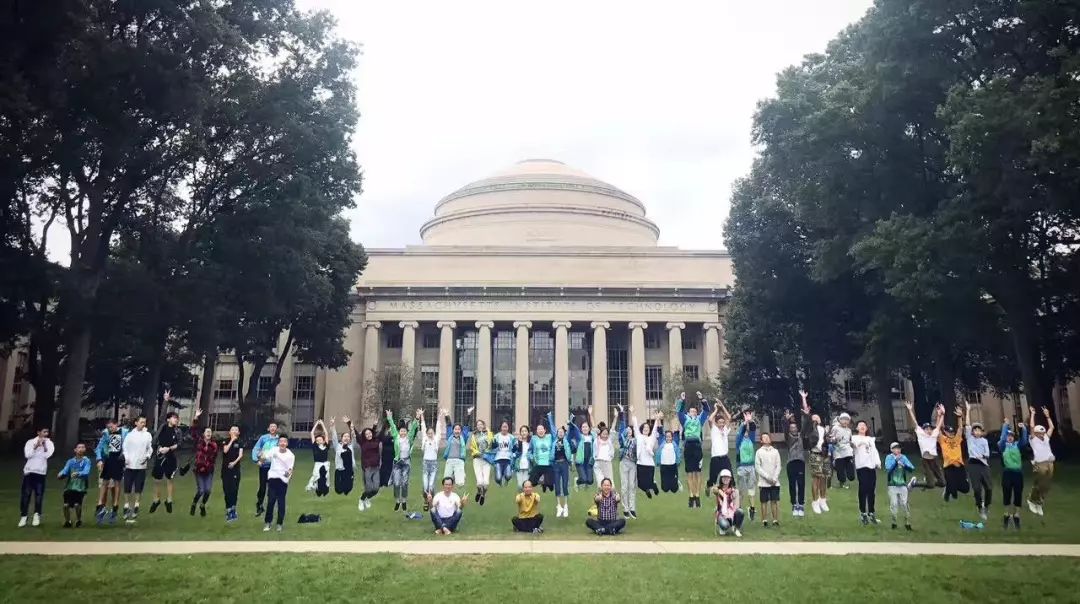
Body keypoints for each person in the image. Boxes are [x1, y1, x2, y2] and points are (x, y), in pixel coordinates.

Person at [675, 391, 710, 508]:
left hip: (697, 446)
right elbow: (679, 412)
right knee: (690, 473)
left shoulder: (700, 419)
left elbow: (706, 411)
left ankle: (697, 495)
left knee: (698, 473)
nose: (693, 412)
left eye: (695, 411)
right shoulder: (685, 419)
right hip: (688, 445)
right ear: (688, 413)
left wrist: (702, 399)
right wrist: (682, 400)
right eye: (691, 411)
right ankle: (691, 496)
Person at [149, 405, 183, 514]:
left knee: (169, 479)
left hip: (170, 457)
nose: (176, 419)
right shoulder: (162, 426)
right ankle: (156, 500)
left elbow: (179, 444)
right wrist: (166, 401)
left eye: (177, 418)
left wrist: (168, 449)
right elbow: (162, 415)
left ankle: (169, 500)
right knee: (157, 480)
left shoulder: (178, 431)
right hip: (160, 456)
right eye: (174, 417)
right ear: (168, 419)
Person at [904, 401, 946, 488]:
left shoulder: (934, 434)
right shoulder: (921, 434)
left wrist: (942, 414)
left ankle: (928, 481)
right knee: (931, 485)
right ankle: (914, 483)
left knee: (942, 483)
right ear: (923, 430)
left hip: (934, 460)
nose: (928, 430)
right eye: (926, 429)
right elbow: (915, 422)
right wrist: (910, 410)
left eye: (930, 428)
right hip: (925, 460)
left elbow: (938, 425)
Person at [800, 393, 830, 514]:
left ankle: (823, 499)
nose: (816, 418)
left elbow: (827, 442)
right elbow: (806, 417)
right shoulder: (810, 428)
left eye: (818, 417)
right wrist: (804, 399)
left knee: (824, 478)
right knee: (816, 478)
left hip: (825, 455)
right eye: (814, 417)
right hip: (815, 454)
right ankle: (815, 501)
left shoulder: (824, 429)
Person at [93, 418, 127, 525]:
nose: (110, 429)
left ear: (116, 424)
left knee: (116, 484)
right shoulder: (106, 433)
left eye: (111, 426)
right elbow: (99, 448)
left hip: (119, 460)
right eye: (108, 427)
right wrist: (99, 460)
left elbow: (128, 446)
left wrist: (126, 456)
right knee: (105, 483)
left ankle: (114, 508)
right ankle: (101, 507)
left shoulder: (125, 433)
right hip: (108, 460)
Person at [19, 427, 54, 527]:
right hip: (29, 471)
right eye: (44, 432)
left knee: (39, 495)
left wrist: (44, 446)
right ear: (38, 432)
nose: (46, 434)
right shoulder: (30, 442)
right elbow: (27, 455)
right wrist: (35, 446)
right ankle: (24, 516)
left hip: (40, 472)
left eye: (47, 432)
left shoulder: (49, 443)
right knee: (26, 495)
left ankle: (36, 515)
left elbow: (48, 455)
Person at [121, 416, 154, 523]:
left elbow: (150, 448)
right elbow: (125, 448)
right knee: (127, 486)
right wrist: (126, 458)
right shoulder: (130, 435)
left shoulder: (147, 435)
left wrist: (147, 456)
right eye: (141, 422)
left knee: (138, 486)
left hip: (141, 466)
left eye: (144, 422)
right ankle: (126, 505)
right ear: (136, 423)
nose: (143, 424)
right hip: (130, 465)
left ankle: (136, 505)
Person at [387, 408, 421, 511]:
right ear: (399, 432)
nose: (403, 433)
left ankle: (404, 501)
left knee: (405, 483)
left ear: (407, 432)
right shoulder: (396, 437)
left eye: (404, 431)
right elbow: (392, 426)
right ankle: (398, 501)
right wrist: (389, 417)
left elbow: (414, 426)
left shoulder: (409, 438)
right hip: (397, 462)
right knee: (397, 483)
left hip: (406, 462)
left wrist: (417, 417)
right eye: (401, 431)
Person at [963, 402, 992, 521]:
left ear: (982, 431)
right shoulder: (970, 439)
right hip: (973, 464)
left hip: (983, 464)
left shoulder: (984, 441)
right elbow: (967, 424)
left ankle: (986, 506)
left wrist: (983, 456)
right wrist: (968, 410)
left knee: (989, 488)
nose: (977, 431)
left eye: (979, 430)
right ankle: (980, 506)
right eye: (975, 430)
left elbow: (988, 454)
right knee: (977, 488)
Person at [260, 436, 294, 532]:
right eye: (281, 441)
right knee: (270, 501)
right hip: (272, 478)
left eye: (284, 442)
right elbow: (264, 456)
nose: (282, 443)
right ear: (278, 443)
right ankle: (268, 522)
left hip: (283, 481)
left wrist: (286, 475)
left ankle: (279, 523)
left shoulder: (290, 455)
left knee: (281, 502)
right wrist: (261, 460)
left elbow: (290, 469)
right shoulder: (274, 450)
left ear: (287, 444)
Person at [189, 407, 219, 517]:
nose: (209, 433)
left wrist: (208, 466)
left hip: (209, 471)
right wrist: (196, 417)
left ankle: (202, 505)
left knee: (208, 491)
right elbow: (193, 430)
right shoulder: (199, 441)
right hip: (198, 470)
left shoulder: (214, 445)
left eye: (210, 432)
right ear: (204, 433)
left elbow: (213, 458)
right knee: (201, 490)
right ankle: (194, 504)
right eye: (207, 432)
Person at [852, 420, 882, 525]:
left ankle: (871, 513)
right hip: (861, 466)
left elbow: (874, 451)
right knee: (863, 489)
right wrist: (863, 441)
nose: (862, 427)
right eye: (860, 425)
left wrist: (878, 462)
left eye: (864, 425)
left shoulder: (870, 439)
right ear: (857, 428)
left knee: (871, 490)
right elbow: (856, 445)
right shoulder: (854, 437)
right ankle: (863, 512)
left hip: (871, 466)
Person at [1027, 406, 1055, 517]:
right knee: (1040, 482)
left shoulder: (1046, 438)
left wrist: (1047, 416)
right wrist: (1033, 414)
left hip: (1050, 463)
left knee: (1046, 485)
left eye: (1042, 433)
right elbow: (1031, 426)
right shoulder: (1033, 440)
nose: (1042, 434)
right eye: (1039, 433)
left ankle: (1039, 502)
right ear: (1036, 433)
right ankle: (1031, 499)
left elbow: (1052, 427)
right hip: (1040, 463)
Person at [57, 443, 91, 528]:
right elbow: (65, 471)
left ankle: (78, 520)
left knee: (77, 505)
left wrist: (78, 473)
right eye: (79, 447)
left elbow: (86, 472)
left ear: (85, 450)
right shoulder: (70, 461)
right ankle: (67, 521)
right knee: (66, 505)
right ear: (75, 450)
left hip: (80, 488)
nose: (81, 449)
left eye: (83, 447)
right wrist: (60, 474)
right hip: (70, 487)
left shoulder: (86, 461)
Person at [464, 407, 494, 504]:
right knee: (479, 482)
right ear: (476, 426)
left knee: (486, 482)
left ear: (484, 425)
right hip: (477, 459)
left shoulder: (489, 434)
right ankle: (478, 492)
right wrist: (478, 453)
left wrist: (489, 433)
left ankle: (483, 494)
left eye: (481, 424)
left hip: (487, 460)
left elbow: (492, 444)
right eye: (478, 424)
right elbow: (472, 447)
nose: (480, 426)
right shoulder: (474, 435)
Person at [939, 406, 969, 502]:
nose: (951, 434)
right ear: (945, 432)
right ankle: (949, 490)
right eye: (949, 432)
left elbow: (960, 428)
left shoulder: (957, 439)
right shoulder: (943, 440)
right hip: (949, 466)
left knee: (965, 489)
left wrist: (959, 417)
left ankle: (950, 487)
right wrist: (941, 415)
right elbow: (938, 429)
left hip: (959, 466)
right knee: (954, 493)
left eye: (952, 432)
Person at [250, 421, 280, 516]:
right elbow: (256, 449)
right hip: (264, 466)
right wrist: (256, 460)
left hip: (274, 467)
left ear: (276, 429)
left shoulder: (279, 440)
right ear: (268, 429)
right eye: (271, 426)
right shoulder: (263, 438)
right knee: (262, 488)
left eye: (274, 427)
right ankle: (259, 505)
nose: (273, 428)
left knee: (272, 488)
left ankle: (271, 507)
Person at [884, 441, 915, 530]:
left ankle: (907, 523)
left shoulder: (903, 457)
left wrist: (904, 465)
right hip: (892, 485)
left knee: (904, 504)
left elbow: (911, 469)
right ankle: (894, 522)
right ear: (891, 449)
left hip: (902, 485)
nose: (897, 450)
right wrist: (896, 462)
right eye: (895, 448)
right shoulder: (889, 457)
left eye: (899, 448)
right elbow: (888, 470)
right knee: (894, 504)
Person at [632, 411, 662, 498]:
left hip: (649, 464)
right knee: (640, 484)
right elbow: (635, 427)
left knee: (649, 482)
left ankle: (653, 486)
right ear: (642, 429)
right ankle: (647, 490)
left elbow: (655, 429)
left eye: (648, 427)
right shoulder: (639, 436)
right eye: (644, 427)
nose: (646, 428)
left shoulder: (651, 438)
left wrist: (657, 419)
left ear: (649, 430)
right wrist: (633, 413)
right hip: (640, 463)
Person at [754, 432, 781, 528]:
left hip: (774, 482)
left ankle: (775, 519)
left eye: (767, 437)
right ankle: (764, 520)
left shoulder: (775, 451)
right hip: (763, 482)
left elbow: (778, 465)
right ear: (761, 440)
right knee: (764, 501)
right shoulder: (759, 452)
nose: (766, 439)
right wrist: (767, 477)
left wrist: (774, 478)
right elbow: (758, 467)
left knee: (774, 500)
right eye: (764, 438)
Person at [705, 399, 734, 490]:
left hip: (725, 458)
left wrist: (722, 406)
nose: (722, 424)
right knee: (712, 479)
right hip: (715, 458)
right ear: (716, 423)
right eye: (720, 423)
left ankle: (730, 497)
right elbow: (710, 419)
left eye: (723, 422)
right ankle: (708, 486)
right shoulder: (714, 430)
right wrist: (716, 410)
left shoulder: (725, 430)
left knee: (731, 478)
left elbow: (729, 418)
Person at [615, 405, 638, 518]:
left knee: (632, 486)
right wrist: (622, 413)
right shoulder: (622, 440)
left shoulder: (635, 440)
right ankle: (625, 508)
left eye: (630, 430)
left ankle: (632, 508)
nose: (629, 431)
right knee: (624, 486)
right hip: (623, 462)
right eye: (627, 430)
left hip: (633, 464)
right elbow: (621, 427)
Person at [783, 405, 806, 517]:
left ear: (797, 428)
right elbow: (785, 428)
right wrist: (787, 420)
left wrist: (805, 414)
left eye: (794, 427)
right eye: (791, 428)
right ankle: (794, 504)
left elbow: (806, 425)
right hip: (791, 463)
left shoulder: (801, 436)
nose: (793, 429)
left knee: (801, 484)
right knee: (792, 484)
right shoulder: (788, 438)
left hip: (800, 462)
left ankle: (801, 505)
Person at [734, 410, 757, 521]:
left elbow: (752, 429)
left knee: (751, 489)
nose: (747, 433)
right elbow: (742, 431)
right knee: (741, 490)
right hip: (741, 467)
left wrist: (750, 420)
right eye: (745, 432)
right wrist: (744, 422)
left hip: (751, 467)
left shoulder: (751, 440)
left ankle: (752, 508)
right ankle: (739, 509)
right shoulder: (739, 441)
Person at [357, 420, 384, 511]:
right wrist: (349, 424)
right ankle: (361, 499)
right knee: (368, 489)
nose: (368, 435)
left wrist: (388, 419)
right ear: (364, 436)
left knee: (376, 489)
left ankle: (367, 499)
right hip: (367, 468)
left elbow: (382, 432)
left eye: (370, 433)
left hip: (376, 468)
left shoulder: (376, 440)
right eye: (366, 434)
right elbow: (357, 435)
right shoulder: (362, 442)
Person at [420, 411, 444, 510]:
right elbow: (423, 427)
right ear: (426, 434)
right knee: (425, 485)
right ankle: (426, 500)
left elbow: (438, 429)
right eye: (428, 433)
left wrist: (439, 417)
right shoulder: (425, 439)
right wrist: (422, 416)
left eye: (431, 433)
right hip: (426, 463)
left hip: (433, 463)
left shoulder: (436, 439)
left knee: (431, 485)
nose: (430, 434)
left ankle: (431, 501)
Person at [442, 410, 471, 491]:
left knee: (460, 484)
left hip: (459, 461)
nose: (457, 431)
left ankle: (460, 475)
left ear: (461, 431)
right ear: (453, 430)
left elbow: (466, 426)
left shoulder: (463, 438)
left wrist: (468, 414)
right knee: (446, 481)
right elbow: (448, 425)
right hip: (449, 461)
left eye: (459, 429)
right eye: (455, 429)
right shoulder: (449, 436)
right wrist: (446, 415)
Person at [551, 415, 574, 518]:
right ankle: (558, 506)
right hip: (556, 464)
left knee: (565, 485)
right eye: (558, 432)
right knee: (557, 485)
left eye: (562, 432)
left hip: (564, 464)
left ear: (564, 433)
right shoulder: (554, 442)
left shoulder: (566, 442)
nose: (560, 433)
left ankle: (565, 506)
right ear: (556, 433)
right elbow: (551, 427)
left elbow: (570, 429)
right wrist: (550, 417)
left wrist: (571, 419)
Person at [711, 468, 744, 537]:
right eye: (724, 477)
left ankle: (736, 528)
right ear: (721, 479)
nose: (726, 479)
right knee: (725, 525)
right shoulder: (718, 489)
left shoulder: (734, 491)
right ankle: (723, 526)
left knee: (740, 511)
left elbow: (737, 506)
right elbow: (713, 490)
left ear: (730, 479)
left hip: (731, 512)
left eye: (727, 477)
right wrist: (717, 490)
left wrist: (731, 497)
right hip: (721, 514)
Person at [329, 417, 357, 496]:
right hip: (340, 470)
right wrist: (333, 425)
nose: (346, 438)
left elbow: (354, 437)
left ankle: (347, 488)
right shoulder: (338, 446)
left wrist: (351, 428)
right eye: (345, 436)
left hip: (349, 470)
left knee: (348, 489)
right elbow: (334, 437)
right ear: (341, 439)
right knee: (338, 490)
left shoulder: (351, 446)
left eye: (348, 437)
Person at [220, 425, 243, 523]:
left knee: (234, 490)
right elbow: (225, 450)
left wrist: (234, 463)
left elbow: (240, 455)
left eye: (236, 430)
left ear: (238, 433)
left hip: (235, 470)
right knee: (227, 491)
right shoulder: (225, 441)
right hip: (225, 471)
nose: (234, 431)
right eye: (232, 430)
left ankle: (233, 509)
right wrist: (232, 441)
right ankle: (228, 510)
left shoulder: (240, 442)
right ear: (229, 432)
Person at [591, 407, 617, 486]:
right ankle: (601, 497)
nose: (605, 435)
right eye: (604, 433)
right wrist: (590, 414)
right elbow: (593, 426)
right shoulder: (596, 439)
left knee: (610, 483)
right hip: (598, 463)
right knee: (600, 484)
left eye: (607, 434)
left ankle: (611, 498)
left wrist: (616, 416)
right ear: (600, 433)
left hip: (607, 463)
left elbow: (613, 428)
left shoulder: (609, 440)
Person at [528, 416, 555, 493]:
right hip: (538, 464)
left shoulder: (549, 437)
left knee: (550, 486)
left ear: (545, 430)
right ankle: (542, 481)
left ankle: (545, 483)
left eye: (541, 429)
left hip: (548, 464)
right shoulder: (534, 439)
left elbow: (554, 432)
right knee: (531, 483)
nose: (540, 431)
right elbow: (529, 451)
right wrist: (531, 457)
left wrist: (550, 418)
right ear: (536, 431)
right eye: (538, 429)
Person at [829, 412, 855, 489]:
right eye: (843, 419)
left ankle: (848, 476)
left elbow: (850, 440)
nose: (845, 421)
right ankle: (842, 482)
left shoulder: (849, 430)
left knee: (851, 476)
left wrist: (852, 444)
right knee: (840, 470)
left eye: (847, 420)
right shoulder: (835, 428)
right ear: (840, 420)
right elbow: (831, 438)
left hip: (848, 452)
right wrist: (834, 440)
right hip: (838, 452)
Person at [571, 411, 596, 490]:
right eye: (583, 427)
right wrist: (571, 420)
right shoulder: (579, 437)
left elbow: (594, 427)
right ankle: (577, 481)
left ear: (589, 428)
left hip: (589, 460)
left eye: (586, 427)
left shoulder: (592, 437)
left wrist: (591, 414)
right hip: (580, 461)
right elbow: (573, 429)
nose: (585, 428)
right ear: (581, 429)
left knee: (590, 481)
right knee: (584, 479)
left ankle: (585, 483)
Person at [306, 419, 331, 497]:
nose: (319, 440)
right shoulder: (315, 447)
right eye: (317, 440)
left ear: (323, 441)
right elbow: (312, 433)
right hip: (318, 463)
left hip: (325, 463)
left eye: (320, 439)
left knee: (326, 476)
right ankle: (312, 485)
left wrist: (322, 424)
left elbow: (326, 434)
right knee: (316, 475)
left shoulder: (326, 446)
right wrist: (317, 424)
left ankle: (326, 487)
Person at [656, 426, 682, 494]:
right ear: (665, 437)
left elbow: (677, 431)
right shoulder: (662, 442)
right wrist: (658, 419)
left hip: (673, 465)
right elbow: (660, 431)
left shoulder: (675, 442)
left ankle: (677, 482)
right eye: (667, 436)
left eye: (669, 436)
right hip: (664, 465)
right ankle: (667, 485)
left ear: (672, 437)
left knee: (674, 489)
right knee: (665, 489)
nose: (668, 438)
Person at [492, 421, 516, 487]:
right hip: (498, 459)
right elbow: (492, 448)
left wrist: (514, 453)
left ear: (508, 428)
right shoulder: (496, 436)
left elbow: (514, 448)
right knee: (498, 478)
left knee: (508, 476)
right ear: (501, 427)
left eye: (506, 427)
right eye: (503, 427)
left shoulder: (511, 437)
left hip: (508, 459)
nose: (504, 429)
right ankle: (499, 482)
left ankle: (506, 480)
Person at [514, 425, 532, 490]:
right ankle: (521, 498)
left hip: (528, 466)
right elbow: (514, 453)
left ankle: (526, 499)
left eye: (525, 431)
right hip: (519, 466)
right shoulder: (516, 442)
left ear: (528, 432)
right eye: (522, 431)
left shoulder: (531, 443)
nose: (524, 433)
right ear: (520, 433)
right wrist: (519, 443)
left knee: (525, 485)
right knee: (519, 485)